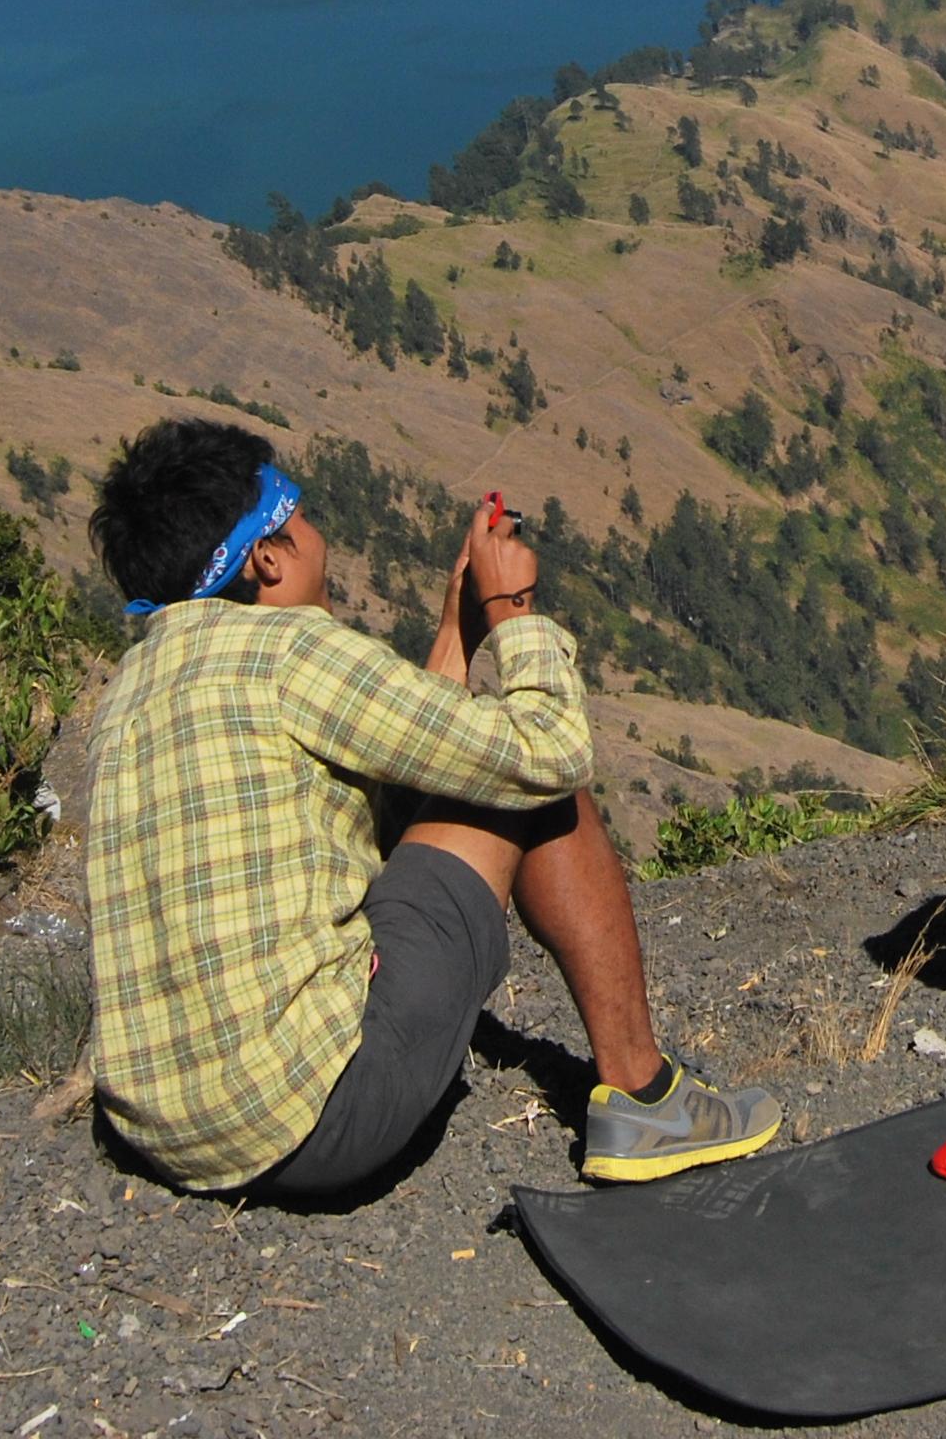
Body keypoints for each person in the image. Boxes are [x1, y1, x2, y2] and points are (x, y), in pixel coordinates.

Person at [83, 417, 780, 1198]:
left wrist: (457, 626)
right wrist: (513, 607)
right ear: (266, 557)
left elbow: (387, 792)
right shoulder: (287, 650)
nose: (319, 536)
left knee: (482, 772)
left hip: (170, 1136)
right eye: (301, 516)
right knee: (530, 782)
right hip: (315, 1122)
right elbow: (547, 750)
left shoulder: (130, 694)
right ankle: (648, 1099)